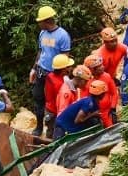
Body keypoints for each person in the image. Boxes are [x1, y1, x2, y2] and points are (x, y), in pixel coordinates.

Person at [29, 6, 71, 137]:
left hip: (54, 75)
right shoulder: (42, 33)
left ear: (46, 20)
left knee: (53, 103)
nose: (38, 24)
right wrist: (34, 68)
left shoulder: (63, 35)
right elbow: (41, 52)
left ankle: (52, 129)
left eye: (40, 21)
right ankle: (39, 126)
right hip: (41, 72)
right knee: (38, 98)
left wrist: (62, 75)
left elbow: (65, 57)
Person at [43, 54, 75, 138]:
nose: (71, 68)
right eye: (69, 66)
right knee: (55, 135)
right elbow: (62, 103)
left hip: (49, 109)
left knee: (50, 131)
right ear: (64, 69)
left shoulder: (50, 76)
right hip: (55, 112)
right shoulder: (60, 84)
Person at [84, 54, 119, 127]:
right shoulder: (86, 82)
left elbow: (114, 94)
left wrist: (113, 109)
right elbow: (85, 101)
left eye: (101, 65)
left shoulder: (107, 76)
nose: (102, 67)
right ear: (92, 69)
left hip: (108, 112)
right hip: (95, 113)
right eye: (99, 66)